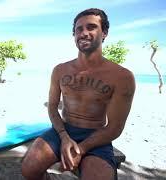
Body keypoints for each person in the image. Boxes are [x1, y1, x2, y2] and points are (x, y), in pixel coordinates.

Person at [21, 8, 135, 180]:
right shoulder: (60, 70)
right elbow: (52, 107)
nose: (84, 33)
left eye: (91, 27)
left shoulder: (122, 77)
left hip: (97, 136)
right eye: (78, 29)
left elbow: (114, 127)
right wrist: (64, 137)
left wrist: (81, 148)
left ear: (104, 33)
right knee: (29, 169)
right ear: (74, 35)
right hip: (62, 131)